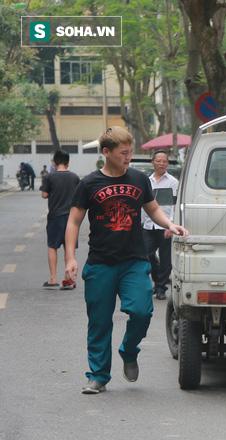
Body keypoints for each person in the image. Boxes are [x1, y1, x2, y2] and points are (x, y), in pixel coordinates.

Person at [64, 126, 188, 395]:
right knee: (99, 322)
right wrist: (71, 258)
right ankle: (98, 375)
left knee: (143, 311)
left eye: (131, 151)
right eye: (123, 153)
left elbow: (153, 209)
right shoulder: (89, 184)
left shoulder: (138, 179)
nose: (128, 157)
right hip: (100, 263)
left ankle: (129, 350)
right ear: (106, 152)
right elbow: (74, 221)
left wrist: (171, 224)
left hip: (134, 261)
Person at [39, 150, 80, 290]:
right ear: (68, 163)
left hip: (55, 216)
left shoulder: (49, 177)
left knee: (52, 246)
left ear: (54, 163)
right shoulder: (74, 177)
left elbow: (44, 194)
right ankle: (69, 279)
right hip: (72, 218)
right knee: (69, 248)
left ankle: (53, 278)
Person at [141, 150, 178, 300]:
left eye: (164, 161)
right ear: (153, 162)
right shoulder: (146, 181)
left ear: (167, 163)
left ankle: (161, 288)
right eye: (158, 161)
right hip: (148, 225)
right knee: (147, 254)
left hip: (165, 226)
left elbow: (174, 205)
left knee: (166, 258)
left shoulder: (173, 182)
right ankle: (156, 281)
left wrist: (171, 225)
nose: (161, 163)